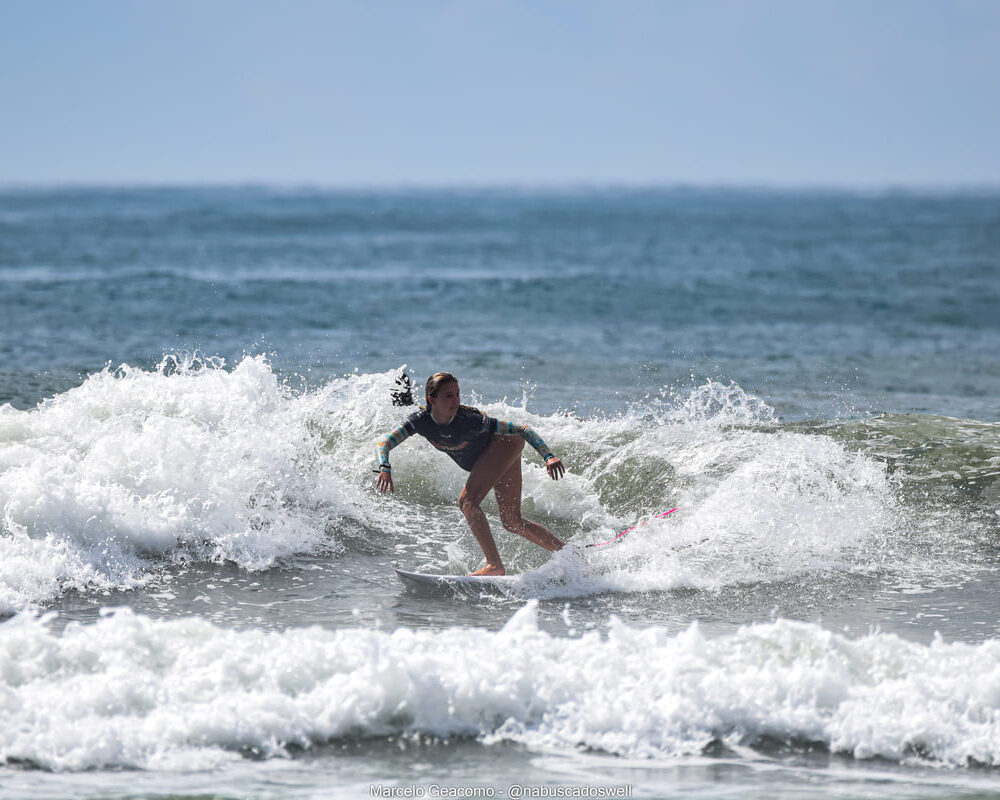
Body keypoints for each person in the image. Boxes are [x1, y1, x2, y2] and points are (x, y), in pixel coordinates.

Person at [376, 372, 565, 576]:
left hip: (505, 444)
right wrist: (385, 467)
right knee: (512, 521)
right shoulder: (420, 422)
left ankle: (494, 565)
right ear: (432, 399)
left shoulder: (470, 420)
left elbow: (523, 430)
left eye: (457, 394)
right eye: (449, 396)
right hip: (497, 455)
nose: (456, 401)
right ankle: (568, 553)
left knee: (467, 502)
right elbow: (384, 443)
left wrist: (548, 456)